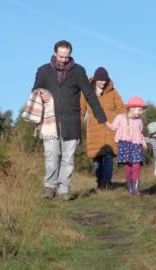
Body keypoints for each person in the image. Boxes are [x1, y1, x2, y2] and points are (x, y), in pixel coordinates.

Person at [32, 40, 107, 201]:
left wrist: (102, 118)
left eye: (66, 57)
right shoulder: (43, 71)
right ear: (54, 54)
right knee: (51, 155)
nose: (63, 60)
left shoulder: (79, 71)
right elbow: (34, 91)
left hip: (72, 121)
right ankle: (49, 187)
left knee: (68, 158)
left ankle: (63, 190)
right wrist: (40, 92)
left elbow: (90, 95)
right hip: (49, 121)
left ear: (70, 55)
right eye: (61, 56)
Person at [80, 67, 125, 190]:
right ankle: (100, 182)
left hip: (110, 128)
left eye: (104, 80)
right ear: (95, 79)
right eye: (100, 80)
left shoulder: (113, 92)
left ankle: (107, 183)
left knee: (109, 156)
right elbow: (81, 110)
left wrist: (127, 122)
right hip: (94, 129)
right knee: (97, 158)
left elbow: (121, 109)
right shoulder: (86, 92)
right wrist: (77, 126)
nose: (102, 82)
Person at [105, 97, 147, 196]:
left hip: (136, 145)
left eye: (141, 110)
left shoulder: (139, 121)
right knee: (128, 167)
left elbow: (140, 133)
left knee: (136, 165)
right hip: (124, 144)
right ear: (131, 108)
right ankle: (130, 188)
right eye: (139, 110)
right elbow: (113, 127)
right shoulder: (120, 117)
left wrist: (143, 141)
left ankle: (135, 189)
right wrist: (104, 121)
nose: (140, 112)